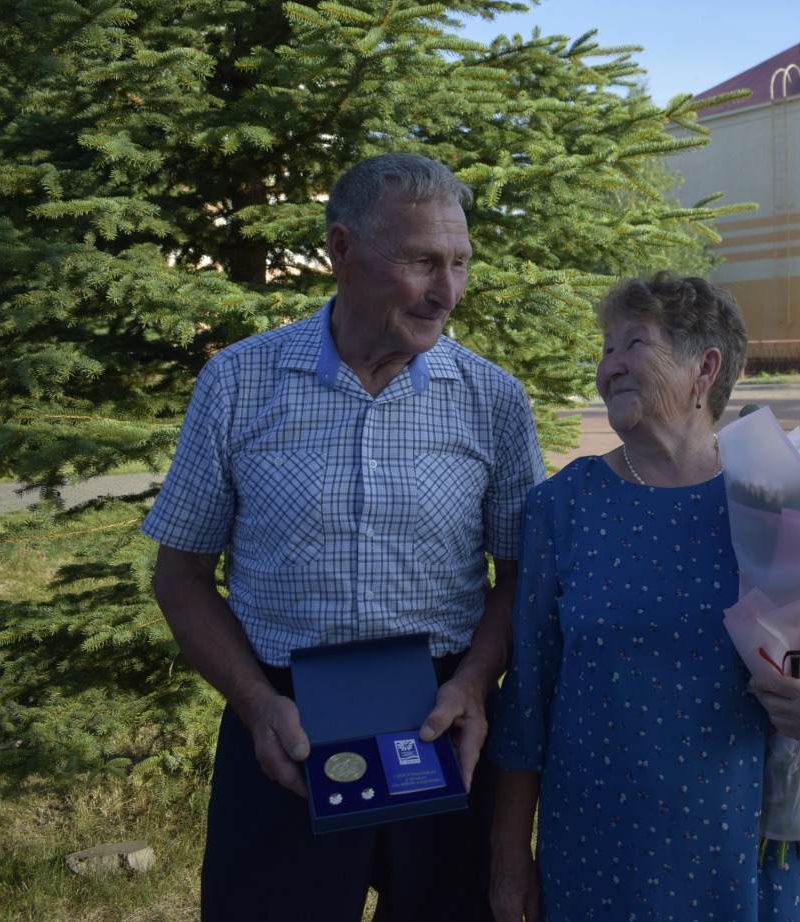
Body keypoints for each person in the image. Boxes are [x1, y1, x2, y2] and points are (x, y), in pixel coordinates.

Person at [143, 153, 545, 921]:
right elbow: (181, 573)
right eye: (422, 262)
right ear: (341, 249)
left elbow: (520, 575)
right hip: (284, 730)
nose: (447, 292)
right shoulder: (238, 382)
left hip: (444, 725)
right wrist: (256, 703)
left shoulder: (492, 398)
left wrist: (473, 685)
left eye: (459, 263)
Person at [488, 271, 800, 922]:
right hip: (599, 854)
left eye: (633, 344)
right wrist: (508, 861)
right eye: (605, 348)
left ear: (705, 368)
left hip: (747, 843)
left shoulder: (780, 495)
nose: (608, 364)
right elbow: (527, 703)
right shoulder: (561, 507)